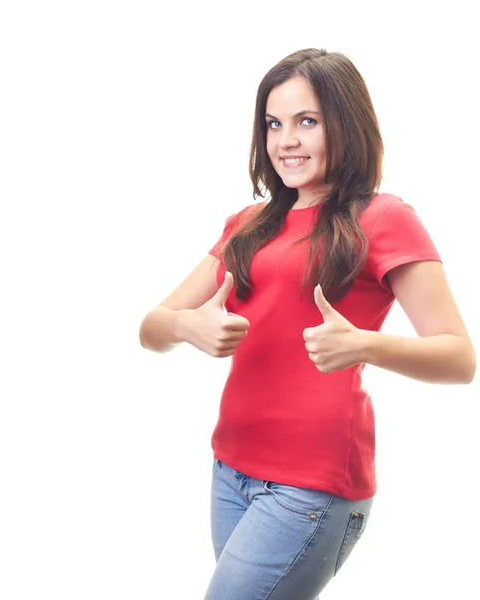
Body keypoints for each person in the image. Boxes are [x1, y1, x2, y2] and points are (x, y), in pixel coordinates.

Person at [138, 48, 476, 600]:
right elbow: (153, 326)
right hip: (230, 469)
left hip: (310, 484)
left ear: (347, 123)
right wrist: (186, 327)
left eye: (307, 121)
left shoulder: (384, 218)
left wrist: (363, 344)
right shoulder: (246, 225)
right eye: (274, 124)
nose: (286, 140)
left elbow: (459, 357)